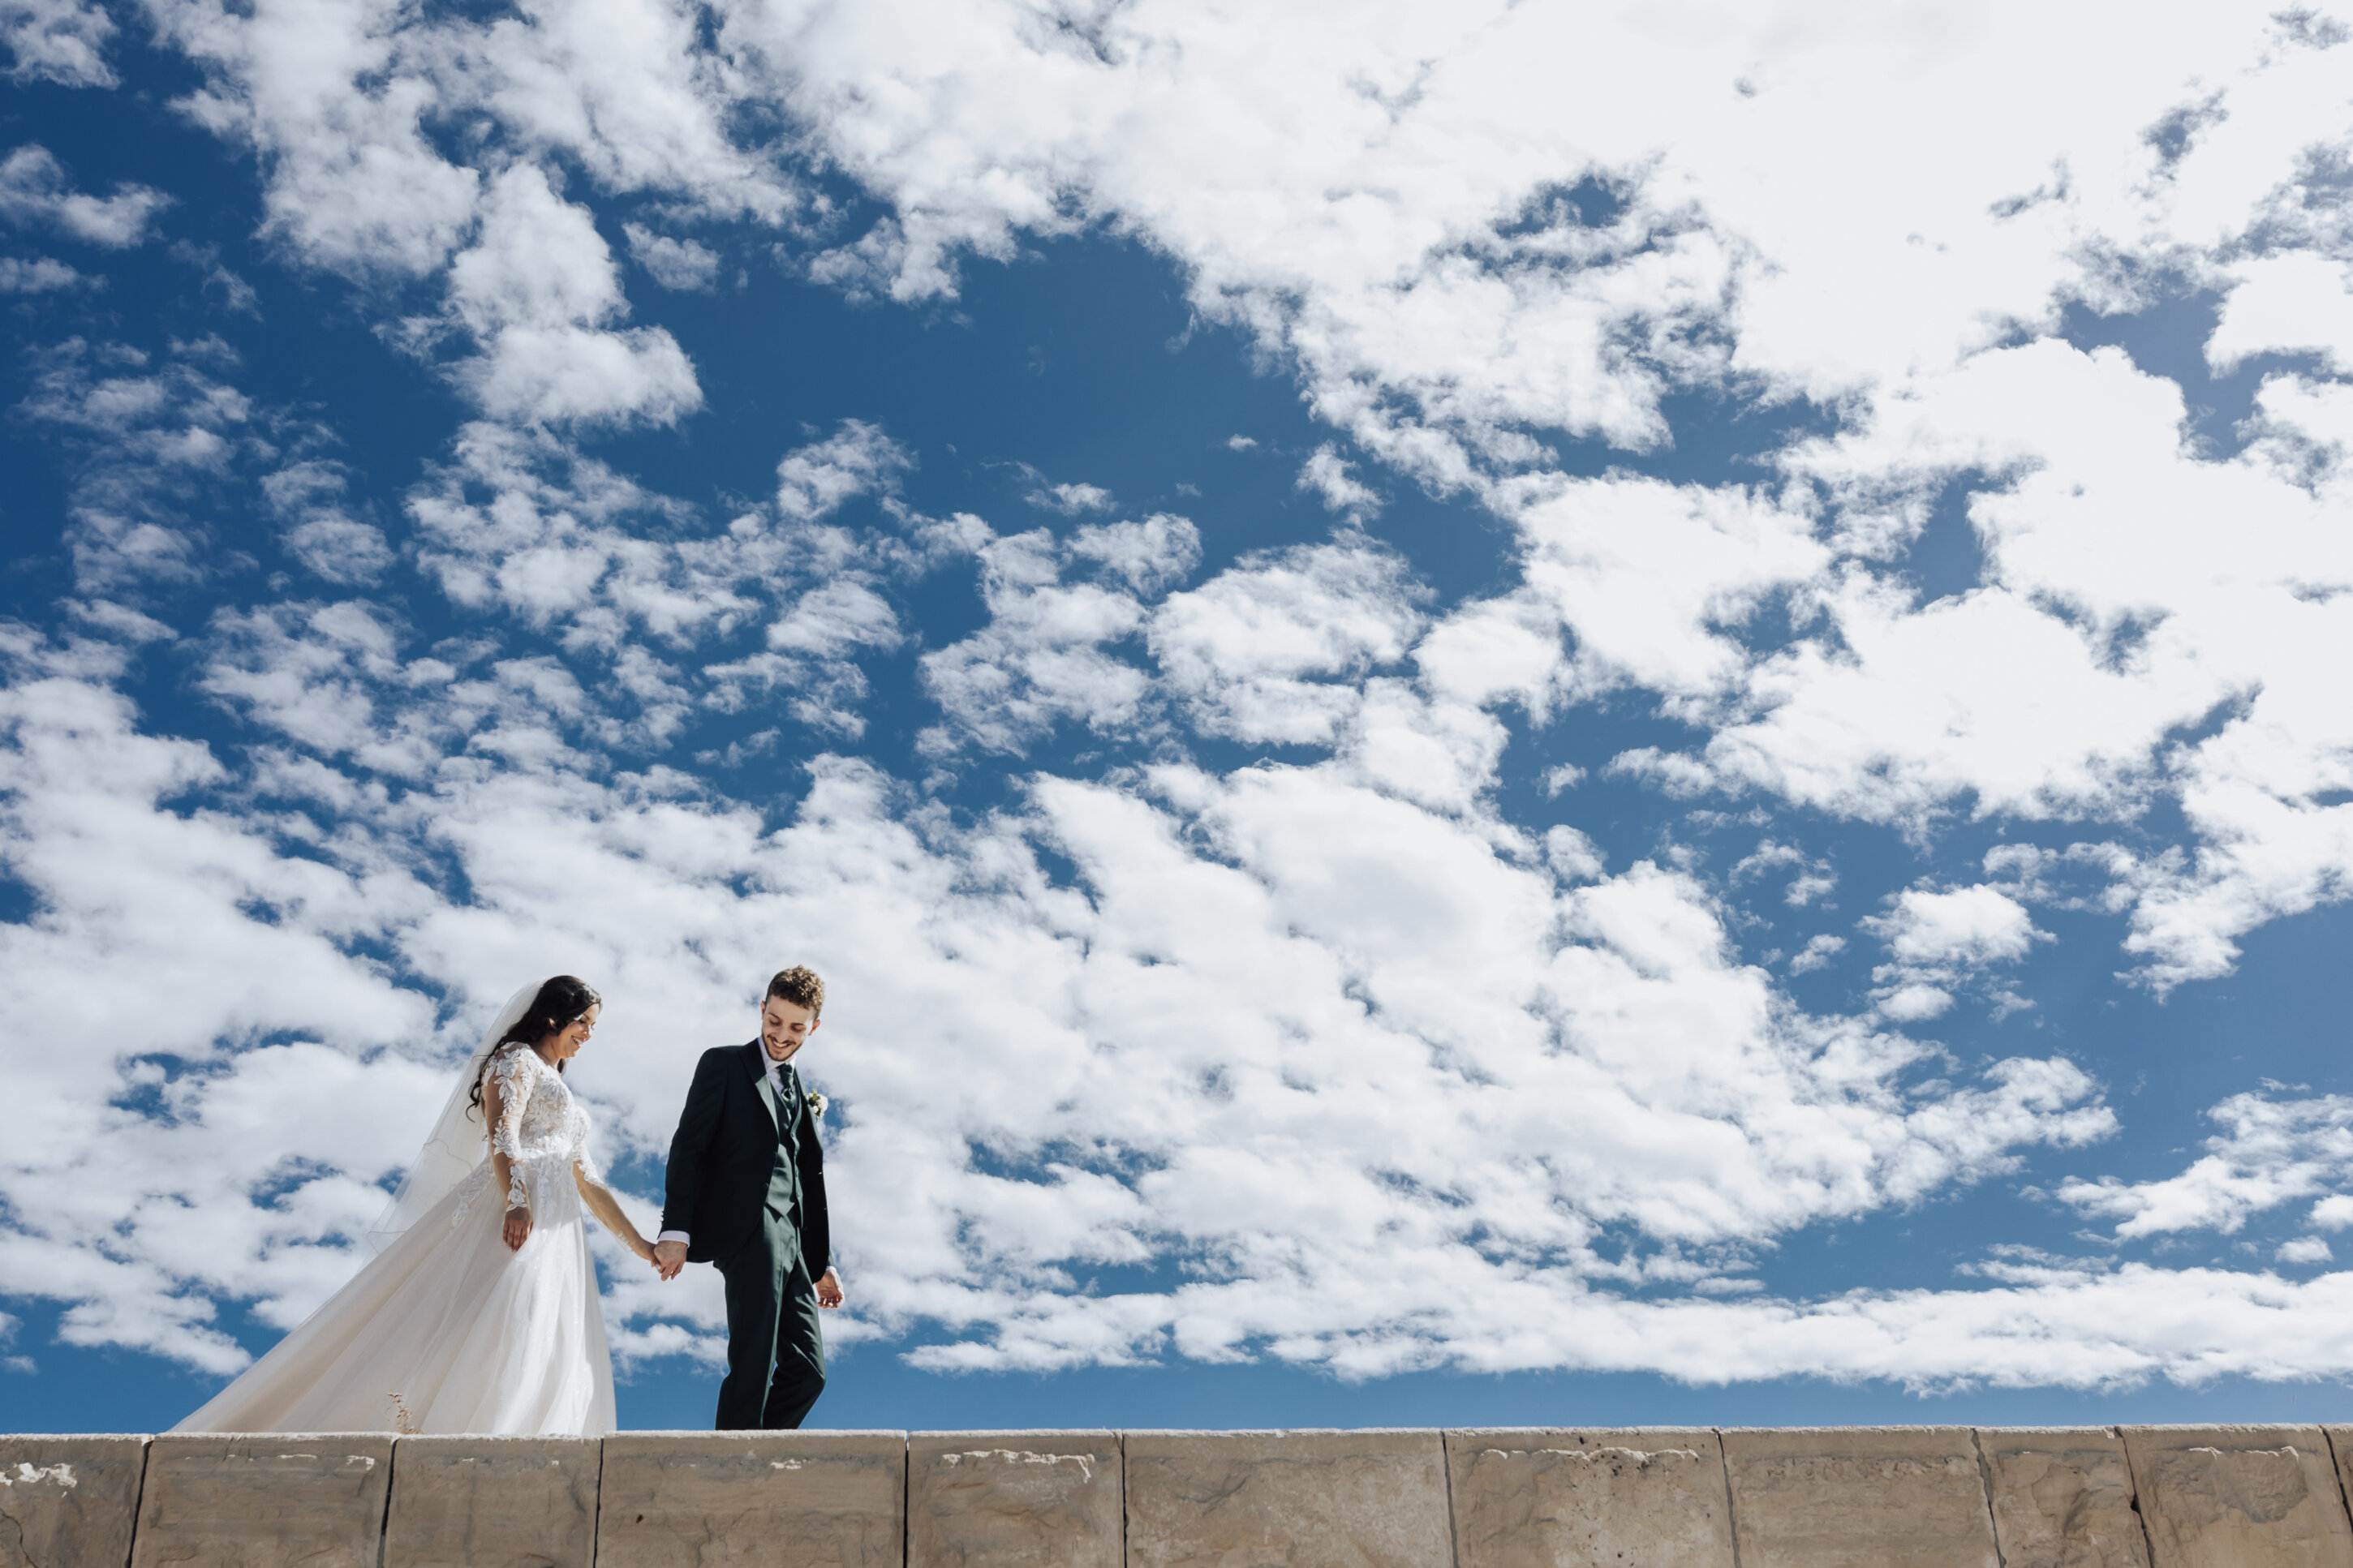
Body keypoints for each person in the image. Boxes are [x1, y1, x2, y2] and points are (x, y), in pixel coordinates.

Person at [174, 976, 659, 1435]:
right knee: (505, 1309)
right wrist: (516, 1201)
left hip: (559, 1223)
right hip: (516, 1205)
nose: (589, 1035)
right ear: (555, 1018)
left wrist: (639, 1245)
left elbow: (588, 1178)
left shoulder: (563, 1091)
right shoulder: (515, 1059)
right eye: (584, 1023)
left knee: (544, 1323)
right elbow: (502, 1132)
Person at [651, 965, 844, 1429]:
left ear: (813, 1027)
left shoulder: (801, 1093)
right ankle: (731, 1471)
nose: (782, 1034)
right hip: (748, 1228)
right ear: (763, 1009)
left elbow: (805, 1181)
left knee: (809, 1372)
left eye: (796, 1027)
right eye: (774, 1021)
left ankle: (754, 1456)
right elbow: (689, 1147)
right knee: (754, 1361)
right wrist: (676, 1230)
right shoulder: (724, 1064)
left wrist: (823, 1264)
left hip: (794, 1241)